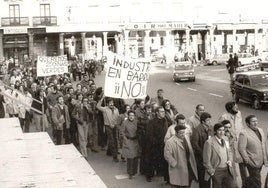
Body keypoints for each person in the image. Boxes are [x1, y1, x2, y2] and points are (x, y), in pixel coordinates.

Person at [218, 101, 245, 187]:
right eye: (234, 106)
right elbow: (220, 129)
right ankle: (232, 183)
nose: (237, 107)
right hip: (231, 144)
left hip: (240, 143)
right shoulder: (224, 117)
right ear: (230, 108)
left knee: (243, 164)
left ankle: (245, 183)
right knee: (231, 165)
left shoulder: (239, 114)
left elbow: (241, 126)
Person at [238, 115, 268, 188]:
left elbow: (263, 144)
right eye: (253, 121)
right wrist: (247, 161)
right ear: (248, 124)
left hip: (261, 161)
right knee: (257, 182)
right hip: (252, 162)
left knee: (252, 179)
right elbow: (241, 148)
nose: (256, 123)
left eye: (256, 121)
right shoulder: (244, 133)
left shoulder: (260, 130)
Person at [203, 123, 236, 188]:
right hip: (216, 171)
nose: (222, 132)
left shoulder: (226, 139)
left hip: (227, 169)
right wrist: (212, 172)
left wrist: (230, 160)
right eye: (219, 130)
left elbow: (229, 152)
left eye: (223, 130)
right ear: (215, 131)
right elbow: (206, 160)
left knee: (231, 186)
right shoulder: (209, 142)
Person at [145, 106, 169, 183]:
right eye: (161, 112)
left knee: (163, 161)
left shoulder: (165, 120)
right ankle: (149, 176)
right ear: (157, 113)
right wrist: (156, 142)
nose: (163, 113)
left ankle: (165, 177)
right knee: (151, 161)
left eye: (164, 112)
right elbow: (149, 135)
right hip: (154, 146)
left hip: (163, 144)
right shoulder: (152, 122)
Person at [191, 112, 213, 188]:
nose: (210, 122)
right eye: (208, 120)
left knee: (210, 177)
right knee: (203, 178)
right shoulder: (197, 130)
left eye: (210, 120)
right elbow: (195, 144)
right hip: (201, 158)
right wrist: (204, 154)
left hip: (210, 157)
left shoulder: (211, 128)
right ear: (203, 121)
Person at [97, 95, 120, 162]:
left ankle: (109, 152)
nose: (111, 104)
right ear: (107, 104)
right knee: (112, 141)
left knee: (115, 140)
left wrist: (115, 125)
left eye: (112, 102)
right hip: (108, 126)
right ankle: (115, 156)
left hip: (115, 127)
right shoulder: (105, 109)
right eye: (110, 103)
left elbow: (118, 119)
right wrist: (102, 98)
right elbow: (98, 106)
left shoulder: (116, 109)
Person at [122, 110, 139, 179]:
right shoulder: (125, 123)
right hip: (129, 141)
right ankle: (130, 173)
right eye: (130, 115)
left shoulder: (136, 122)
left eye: (133, 115)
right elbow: (122, 132)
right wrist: (125, 140)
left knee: (135, 157)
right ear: (128, 116)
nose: (131, 117)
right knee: (130, 158)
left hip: (135, 141)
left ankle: (134, 171)